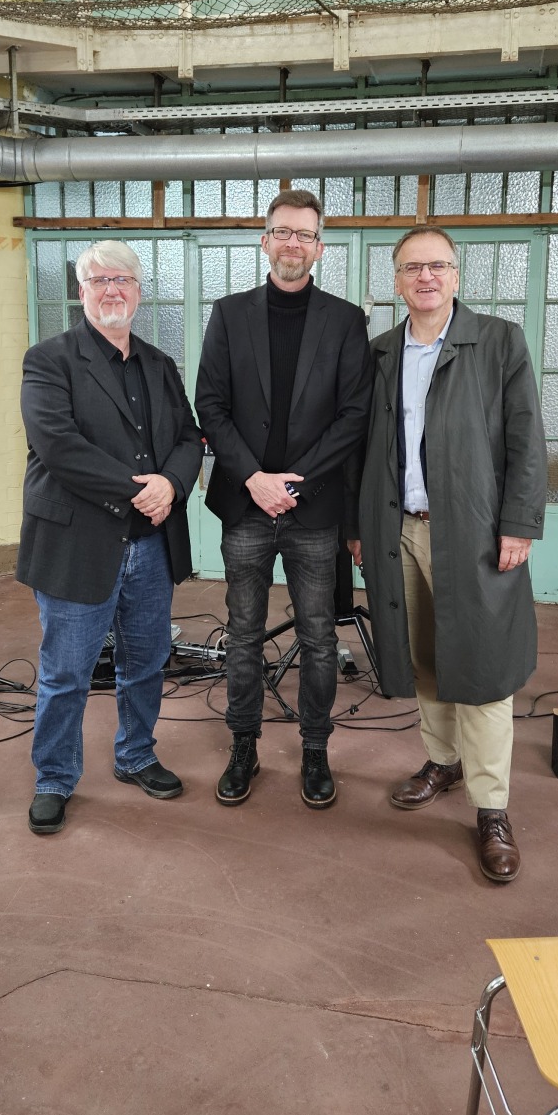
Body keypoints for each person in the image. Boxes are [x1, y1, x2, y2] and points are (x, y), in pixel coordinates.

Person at [346, 226, 546, 882]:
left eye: (437, 266)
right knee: (421, 655)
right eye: (412, 268)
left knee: (483, 671)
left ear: (456, 276)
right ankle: (443, 760)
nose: (425, 278)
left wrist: (517, 523)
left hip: (474, 533)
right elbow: (360, 450)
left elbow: (525, 438)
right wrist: (358, 527)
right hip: (394, 530)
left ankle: (491, 806)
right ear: (397, 281)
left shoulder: (496, 342)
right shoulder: (378, 353)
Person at [17, 240, 203, 835]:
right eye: (98, 280)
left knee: (146, 662)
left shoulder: (159, 364)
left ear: (139, 291)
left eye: (122, 279)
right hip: (78, 542)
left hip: (150, 545)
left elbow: (190, 437)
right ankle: (53, 777)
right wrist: (138, 489)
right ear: (81, 291)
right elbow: (58, 447)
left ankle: (136, 755)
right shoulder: (49, 360)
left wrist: (172, 482)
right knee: (66, 672)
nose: (111, 290)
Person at [196, 189, 372, 809]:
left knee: (321, 638)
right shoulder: (228, 313)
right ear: (265, 240)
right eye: (283, 232)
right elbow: (210, 405)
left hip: (314, 508)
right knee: (243, 634)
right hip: (245, 506)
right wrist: (253, 477)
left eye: (305, 234)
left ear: (319, 247)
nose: (293, 243)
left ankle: (315, 748)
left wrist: (293, 480)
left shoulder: (347, 321)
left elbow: (353, 417)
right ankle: (243, 744)